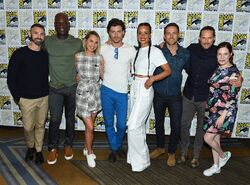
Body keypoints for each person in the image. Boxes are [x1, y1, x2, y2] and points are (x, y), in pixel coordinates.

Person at [179, 26, 242, 168]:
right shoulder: (192, 48)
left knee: (202, 129)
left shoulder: (218, 52)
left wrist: (240, 79)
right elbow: (179, 54)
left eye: (209, 38)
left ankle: (196, 155)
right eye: (203, 37)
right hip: (189, 94)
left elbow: (231, 68)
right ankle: (183, 152)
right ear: (199, 38)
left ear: (213, 38)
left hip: (207, 98)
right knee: (184, 124)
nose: (206, 40)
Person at [127, 22, 172, 172]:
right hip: (134, 86)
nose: (142, 36)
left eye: (146, 33)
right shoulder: (136, 51)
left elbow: (167, 70)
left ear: (150, 35)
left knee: (133, 126)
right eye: (140, 32)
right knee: (138, 126)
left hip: (145, 88)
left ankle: (141, 160)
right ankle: (137, 159)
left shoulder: (155, 51)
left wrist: (152, 79)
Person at [7, 23, 49, 164]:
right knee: (28, 127)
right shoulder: (19, 54)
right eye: (36, 33)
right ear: (30, 35)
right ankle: (30, 147)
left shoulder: (45, 54)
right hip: (26, 99)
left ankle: (38, 150)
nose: (39, 36)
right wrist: (18, 98)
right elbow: (11, 78)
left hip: (44, 97)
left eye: (42, 34)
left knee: (40, 126)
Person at [149, 23, 190, 167]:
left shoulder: (185, 53)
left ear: (178, 35)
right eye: (168, 33)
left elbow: (193, 71)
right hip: (159, 94)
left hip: (175, 96)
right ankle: (160, 148)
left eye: (174, 33)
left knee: (176, 125)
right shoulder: (156, 50)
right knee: (159, 123)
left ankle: (172, 152)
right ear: (164, 35)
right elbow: (139, 51)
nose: (171, 36)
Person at [45, 12, 82, 165]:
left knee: (70, 119)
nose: (61, 26)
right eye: (58, 23)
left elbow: (83, 61)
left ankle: (68, 145)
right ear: (54, 25)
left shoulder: (77, 42)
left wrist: (80, 74)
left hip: (72, 88)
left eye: (64, 23)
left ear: (68, 24)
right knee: (54, 119)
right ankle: (53, 148)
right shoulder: (47, 41)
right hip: (54, 88)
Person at [100, 18, 136, 162]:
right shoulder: (102, 48)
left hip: (122, 92)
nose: (116, 35)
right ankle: (115, 149)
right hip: (106, 90)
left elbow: (142, 59)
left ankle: (116, 146)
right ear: (108, 32)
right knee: (109, 123)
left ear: (123, 33)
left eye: (119, 32)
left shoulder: (131, 49)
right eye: (113, 32)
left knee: (121, 124)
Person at [203, 42, 240, 176]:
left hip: (225, 110)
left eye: (225, 54)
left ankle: (223, 155)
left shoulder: (234, 74)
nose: (222, 57)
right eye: (219, 54)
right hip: (214, 107)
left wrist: (223, 115)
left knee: (207, 138)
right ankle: (216, 166)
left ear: (230, 55)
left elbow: (232, 96)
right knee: (215, 139)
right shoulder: (219, 68)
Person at [75, 31, 103, 168]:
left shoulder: (100, 58)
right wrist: (76, 77)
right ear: (85, 41)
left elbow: (104, 76)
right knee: (91, 127)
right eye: (91, 41)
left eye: (96, 42)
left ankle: (86, 148)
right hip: (82, 95)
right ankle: (90, 152)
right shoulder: (77, 56)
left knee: (89, 126)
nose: (93, 44)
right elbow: (73, 73)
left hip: (95, 94)